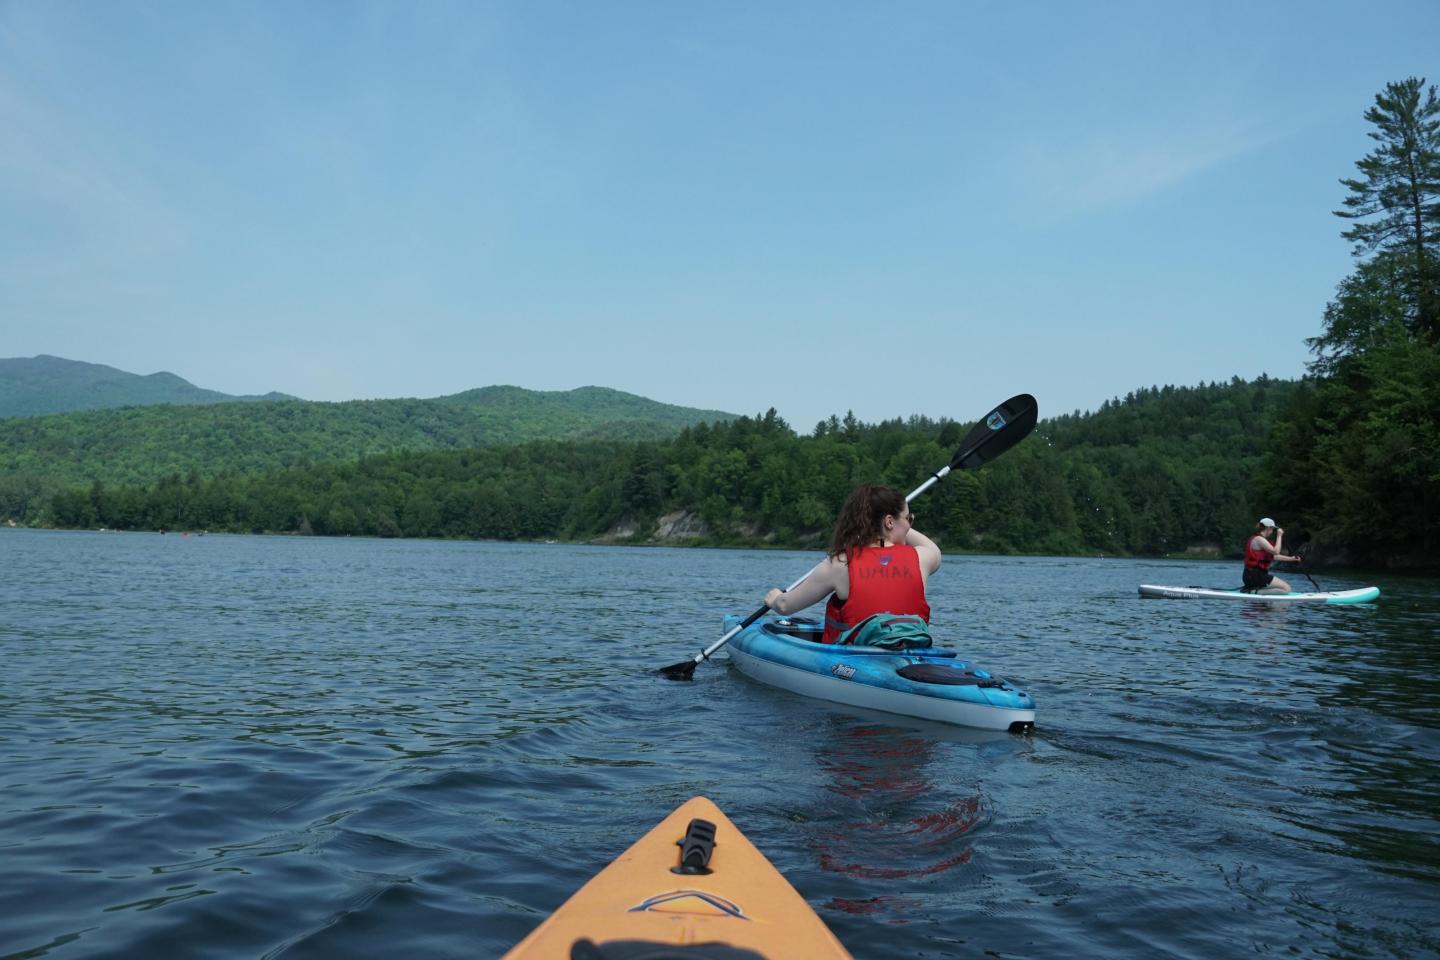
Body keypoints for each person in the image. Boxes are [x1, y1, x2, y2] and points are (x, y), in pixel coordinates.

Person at [764, 484, 941, 643]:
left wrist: (774, 598)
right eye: (909, 519)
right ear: (888, 521)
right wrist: (895, 523)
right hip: (911, 655)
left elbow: (785, 606)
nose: (909, 525)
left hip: (857, 657)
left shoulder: (840, 563)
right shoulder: (922, 557)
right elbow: (931, 547)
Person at [1242, 518, 1302, 594]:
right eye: (1272, 529)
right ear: (1268, 528)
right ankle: (1253, 592)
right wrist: (1279, 536)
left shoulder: (1261, 540)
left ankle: (1254, 590)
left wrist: (1292, 559)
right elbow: (1276, 552)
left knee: (1284, 588)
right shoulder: (1259, 539)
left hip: (1254, 576)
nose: (1273, 531)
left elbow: (1274, 556)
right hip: (1254, 576)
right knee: (1287, 589)